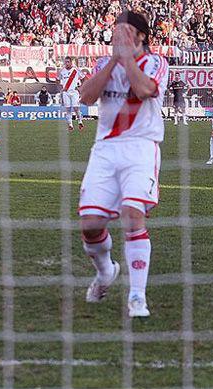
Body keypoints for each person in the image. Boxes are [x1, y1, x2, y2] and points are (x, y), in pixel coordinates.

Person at [77, 10, 168, 318]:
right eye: (116, 31)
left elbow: (144, 90)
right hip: (104, 150)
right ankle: (105, 273)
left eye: (125, 32)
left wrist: (127, 59)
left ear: (141, 36)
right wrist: (115, 60)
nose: (118, 36)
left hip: (141, 147)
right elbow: (86, 96)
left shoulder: (156, 63)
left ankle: (137, 297)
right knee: (90, 224)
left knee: (132, 214)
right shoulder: (104, 63)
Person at [57, 56, 84, 131]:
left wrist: (80, 88)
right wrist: (61, 88)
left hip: (74, 92)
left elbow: (83, 78)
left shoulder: (75, 70)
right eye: (65, 62)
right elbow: (57, 80)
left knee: (76, 108)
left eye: (68, 62)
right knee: (68, 109)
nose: (66, 63)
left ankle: (80, 121)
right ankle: (70, 125)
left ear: (71, 62)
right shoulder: (62, 71)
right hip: (66, 92)